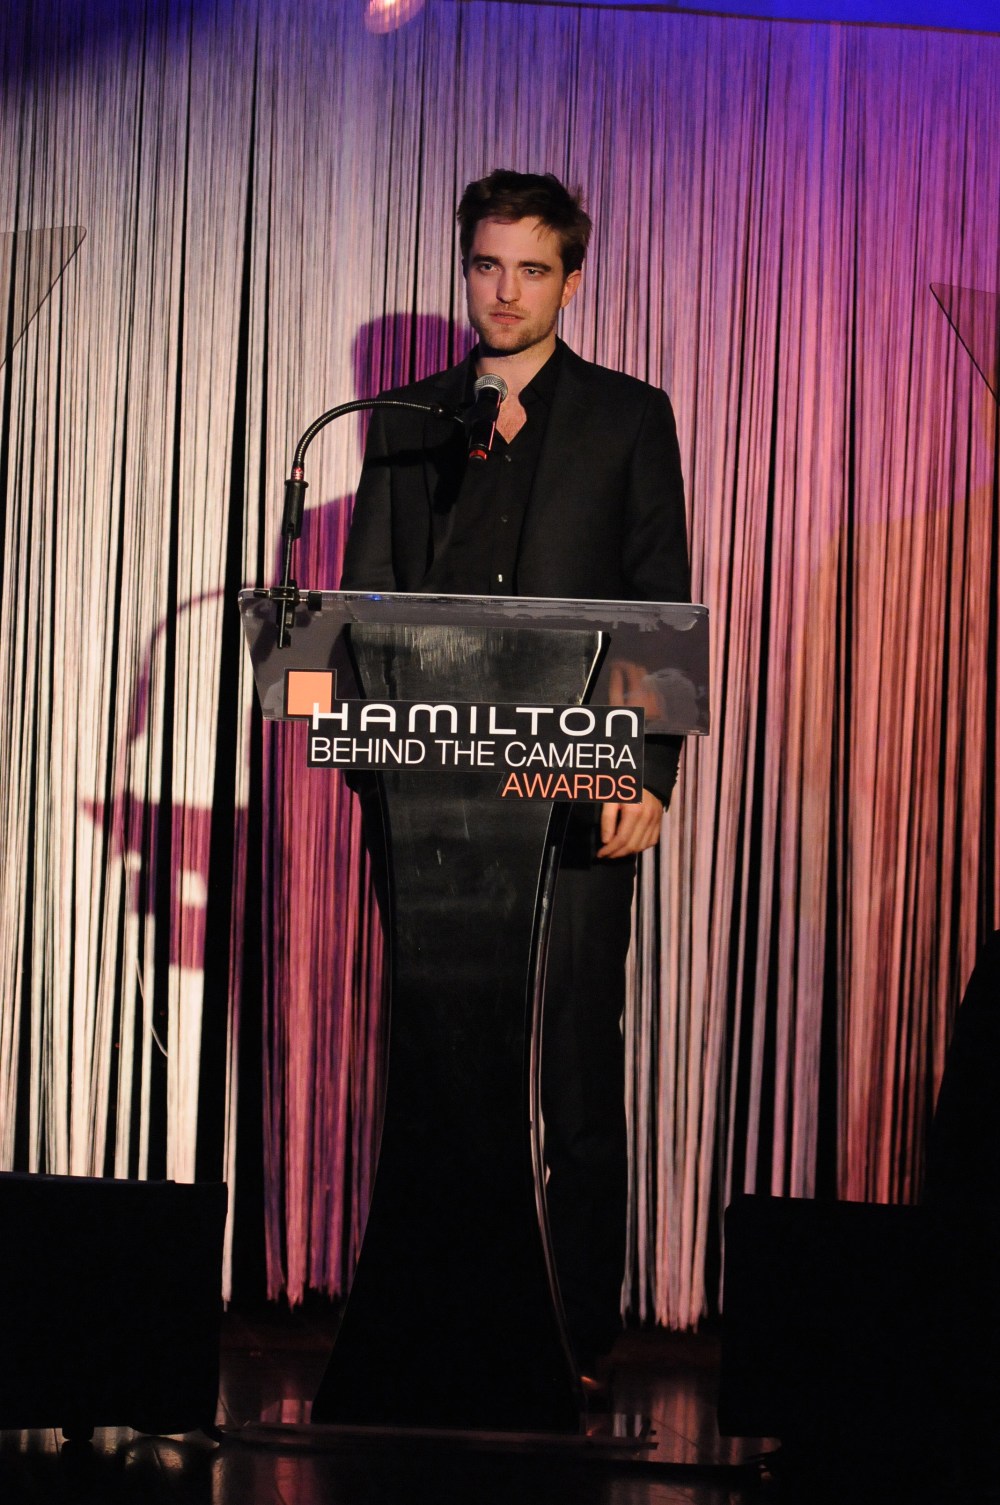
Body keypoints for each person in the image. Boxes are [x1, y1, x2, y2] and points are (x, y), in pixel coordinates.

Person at [341, 169, 690, 1374]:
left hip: (574, 785)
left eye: (531, 268)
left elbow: (655, 598)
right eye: (487, 264)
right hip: (431, 796)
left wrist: (643, 766)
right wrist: (373, 764)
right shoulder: (406, 416)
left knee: (577, 1057)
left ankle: (573, 1332)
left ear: (570, 282)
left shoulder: (627, 416)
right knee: (439, 1063)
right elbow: (367, 596)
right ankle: (435, 1319)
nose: (504, 290)